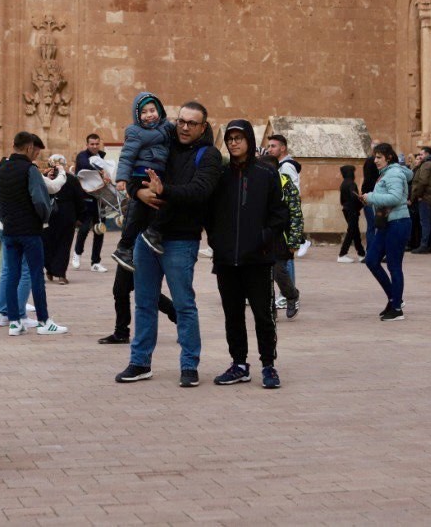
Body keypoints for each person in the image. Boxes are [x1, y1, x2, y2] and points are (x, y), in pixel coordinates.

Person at [115, 101, 222, 388]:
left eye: (192, 123)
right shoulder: (164, 142)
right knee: (144, 303)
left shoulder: (209, 155)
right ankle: (140, 362)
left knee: (184, 304)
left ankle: (189, 365)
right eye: (181, 121)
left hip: (181, 240)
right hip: (146, 237)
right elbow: (139, 170)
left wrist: (165, 191)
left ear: (203, 127)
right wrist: (139, 193)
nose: (184, 127)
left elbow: (200, 191)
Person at [208, 120, 288, 389]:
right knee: (233, 314)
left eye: (238, 138)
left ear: (249, 141)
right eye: (230, 138)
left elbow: (280, 214)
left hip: (258, 259)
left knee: (263, 314)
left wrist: (264, 238)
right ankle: (239, 364)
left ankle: (269, 365)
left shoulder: (266, 174)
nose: (233, 143)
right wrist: (217, 241)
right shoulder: (220, 175)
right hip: (227, 259)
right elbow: (210, 213)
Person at [0, 131, 68, 335]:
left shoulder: (1, 168)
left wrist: (6, 219)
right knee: (36, 275)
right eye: (35, 151)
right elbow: (39, 199)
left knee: (11, 275)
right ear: (28, 148)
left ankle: (14, 322)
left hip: (9, 230)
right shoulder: (29, 170)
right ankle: (44, 321)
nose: (36, 156)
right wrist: (44, 217)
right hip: (29, 231)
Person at [111, 92, 175, 271]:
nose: (149, 115)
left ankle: (152, 233)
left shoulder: (167, 129)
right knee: (137, 212)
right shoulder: (135, 132)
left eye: (152, 110)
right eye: (144, 112)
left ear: (160, 110)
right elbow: (126, 156)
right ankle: (124, 247)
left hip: (157, 176)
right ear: (137, 116)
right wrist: (122, 178)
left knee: (160, 205)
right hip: (141, 175)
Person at [360, 142, 412, 321]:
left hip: (397, 223)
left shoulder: (394, 173)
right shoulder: (387, 174)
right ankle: (394, 297)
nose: (375, 161)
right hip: (386, 223)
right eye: (375, 157)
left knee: (394, 266)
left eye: (379, 157)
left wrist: (371, 197)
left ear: (389, 157)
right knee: (372, 260)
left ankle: (396, 308)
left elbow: (396, 197)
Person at [258, 154, 301, 319]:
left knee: (278, 271)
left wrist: (295, 239)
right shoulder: (257, 185)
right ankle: (271, 310)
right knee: (264, 274)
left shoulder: (286, 185)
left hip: (282, 237)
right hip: (263, 236)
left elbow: (296, 214)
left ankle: (291, 295)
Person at [42, 156, 86, 285]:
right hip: (65, 215)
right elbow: (80, 199)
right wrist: (80, 217)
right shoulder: (70, 179)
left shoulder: (45, 178)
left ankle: (53, 271)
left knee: (49, 244)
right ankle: (59, 274)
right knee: (62, 244)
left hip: (53, 216)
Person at [73, 134, 108, 271]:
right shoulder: (82, 156)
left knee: (100, 230)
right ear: (87, 144)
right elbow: (84, 165)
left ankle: (95, 262)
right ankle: (77, 253)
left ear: (99, 144)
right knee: (84, 228)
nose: (94, 146)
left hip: (100, 199)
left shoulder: (102, 157)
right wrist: (101, 170)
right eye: (92, 144)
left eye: (96, 144)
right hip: (86, 198)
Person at [409, 146, 431, 253]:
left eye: (422, 154)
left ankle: (424, 245)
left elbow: (422, 182)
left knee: (425, 223)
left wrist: (416, 196)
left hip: (426, 198)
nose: (420, 156)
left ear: (428, 154)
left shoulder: (426, 165)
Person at [337, 164, 364, 263]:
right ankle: (342, 254)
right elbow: (354, 197)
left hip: (347, 209)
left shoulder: (344, 183)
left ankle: (361, 254)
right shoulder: (351, 184)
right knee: (352, 232)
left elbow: (342, 200)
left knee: (355, 232)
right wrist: (361, 203)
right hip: (351, 210)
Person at [360, 150, 380, 253]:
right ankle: (372, 251)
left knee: (372, 226)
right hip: (372, 197)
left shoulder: (369, 161)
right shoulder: (372, 162)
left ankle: (372, 251)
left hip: (369, 196)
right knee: (373, 226)